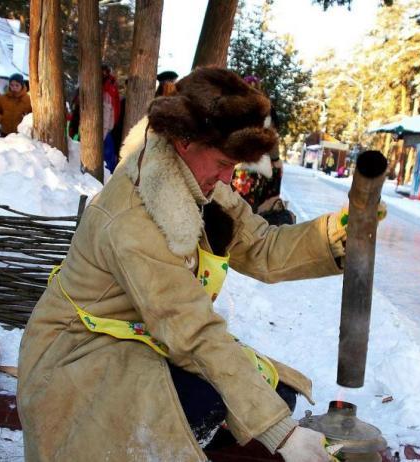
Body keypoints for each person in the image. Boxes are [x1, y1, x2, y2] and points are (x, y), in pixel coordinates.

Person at [18, 68, 356, 462]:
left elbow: (262, 246)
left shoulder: (201, 185)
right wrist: (282, 435)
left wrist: (338, 235)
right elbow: (191, 329)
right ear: (183, 141)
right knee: (220, 406)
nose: (230, 177)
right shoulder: (132, 217)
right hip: (80, 358)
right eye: (224, 162)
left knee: (275, 395)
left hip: (145, 342)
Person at [231, 75, 294, 225]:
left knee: (235, 207)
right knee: (258, 211)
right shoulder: (266, 109)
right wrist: (276, 163)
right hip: (260, 169)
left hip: (239, 168)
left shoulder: (234, 108)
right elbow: (272, 140)